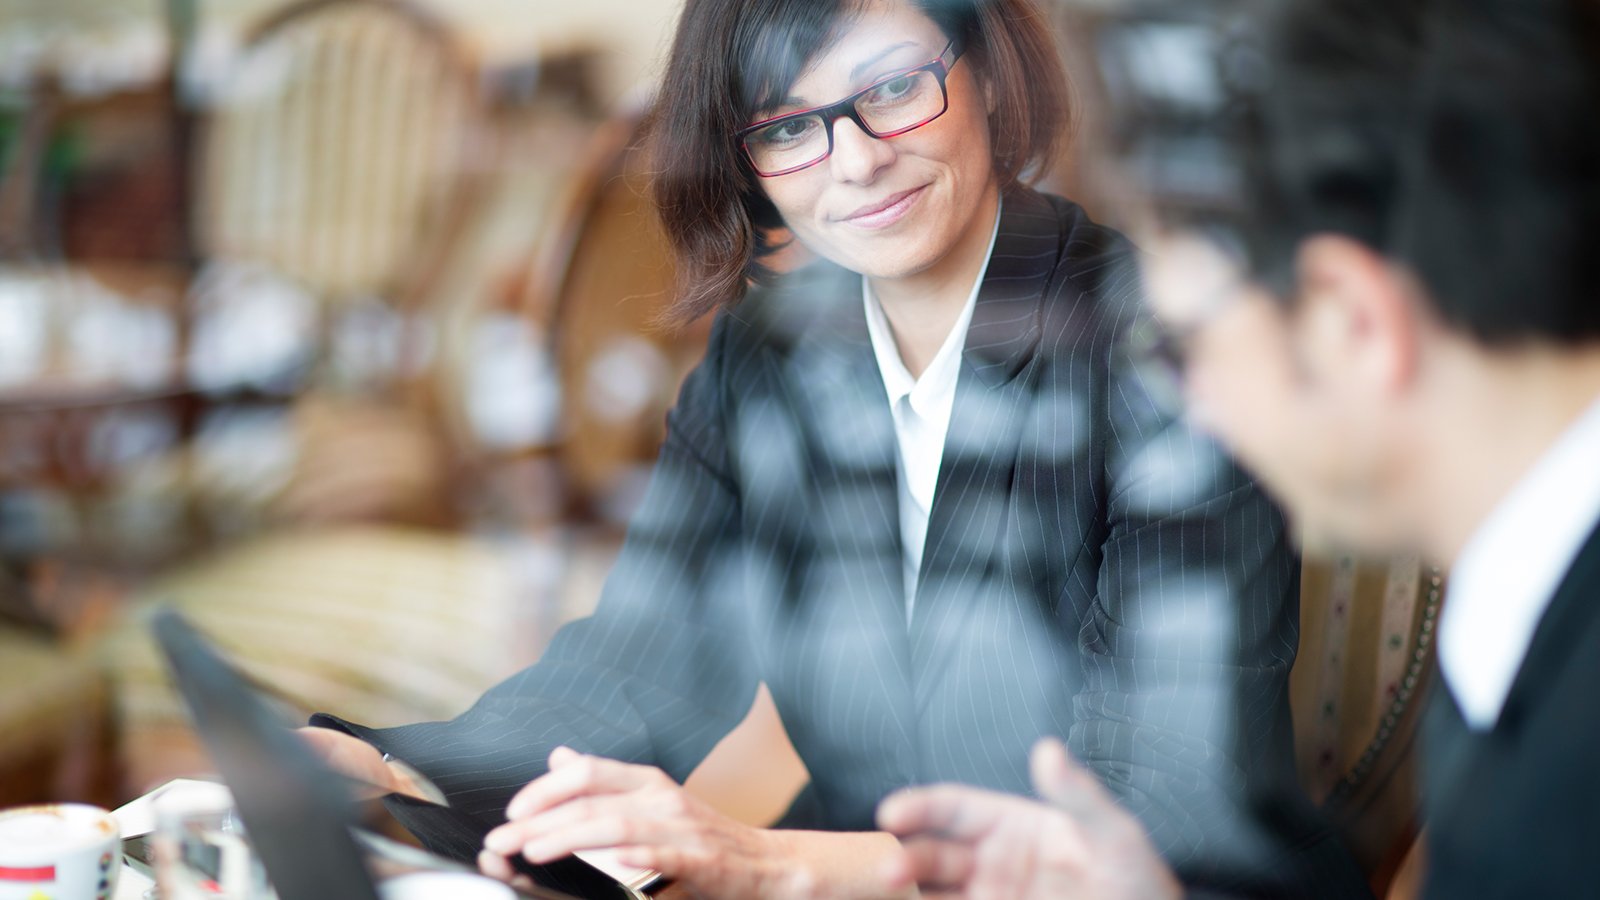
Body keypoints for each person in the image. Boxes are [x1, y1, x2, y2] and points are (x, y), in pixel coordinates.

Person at [301, 0, 1369, 896]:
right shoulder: (769, 351)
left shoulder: (1163, 343)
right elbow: (643, 661)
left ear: (989, 77)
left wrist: (769, 863)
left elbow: (1155, 808)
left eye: (895, 88)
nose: (854, 162)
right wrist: (396, 769)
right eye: (786, 125)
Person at [876, 0, 1600, 897]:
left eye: (1183, 346)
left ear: (1348, 320)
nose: (1199, 411)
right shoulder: (1525, 621)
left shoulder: (1568, 793)